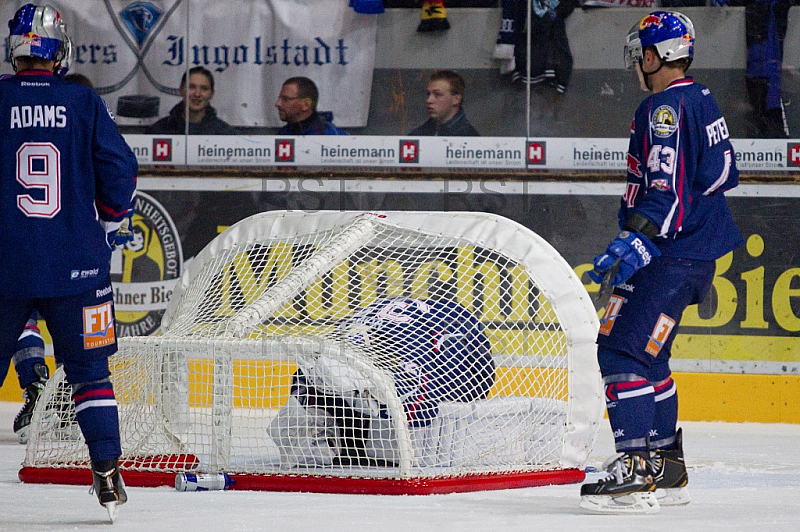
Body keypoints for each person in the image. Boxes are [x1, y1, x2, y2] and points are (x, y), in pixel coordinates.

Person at [579, 11, 743, 514]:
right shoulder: (701, 98)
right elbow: (719, 175)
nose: (636, 64)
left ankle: (634, 467)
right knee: (651, 356)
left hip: (667, 255)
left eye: (640, 54)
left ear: (655, 57)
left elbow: (666, 189)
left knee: (621, 352)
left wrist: (637, 241)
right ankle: (666, 466)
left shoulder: (664, 108)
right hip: (692, 256)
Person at [0, 4, 138, 521]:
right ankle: (105, 468)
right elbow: (121, 171)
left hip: (5, 264)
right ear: (60, 52)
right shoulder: (82, 101)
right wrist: (104, 226)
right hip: (78, 267)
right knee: (90, 372)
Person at [268, 297, 496, 467]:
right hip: (415, 328)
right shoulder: (327, 359)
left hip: (456, 336)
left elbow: (418, 421)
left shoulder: (416, 358)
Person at [147, 66, 237, 135]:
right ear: (181, 90)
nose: (197, 94)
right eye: (192, 87)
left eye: (204, 88)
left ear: (211, 94)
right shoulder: (159, 130)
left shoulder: (225, 134)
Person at [409, 70, 480, 136]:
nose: (429, 100)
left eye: (437, 94)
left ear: (456, 99)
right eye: (428, 94)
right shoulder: (419, 134)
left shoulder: (469, 138)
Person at [275, 76, 348, 135]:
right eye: (279, 98)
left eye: (285, 99)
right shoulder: (283, 133)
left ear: (306, 104)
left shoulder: (331, 136)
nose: (277, 103)